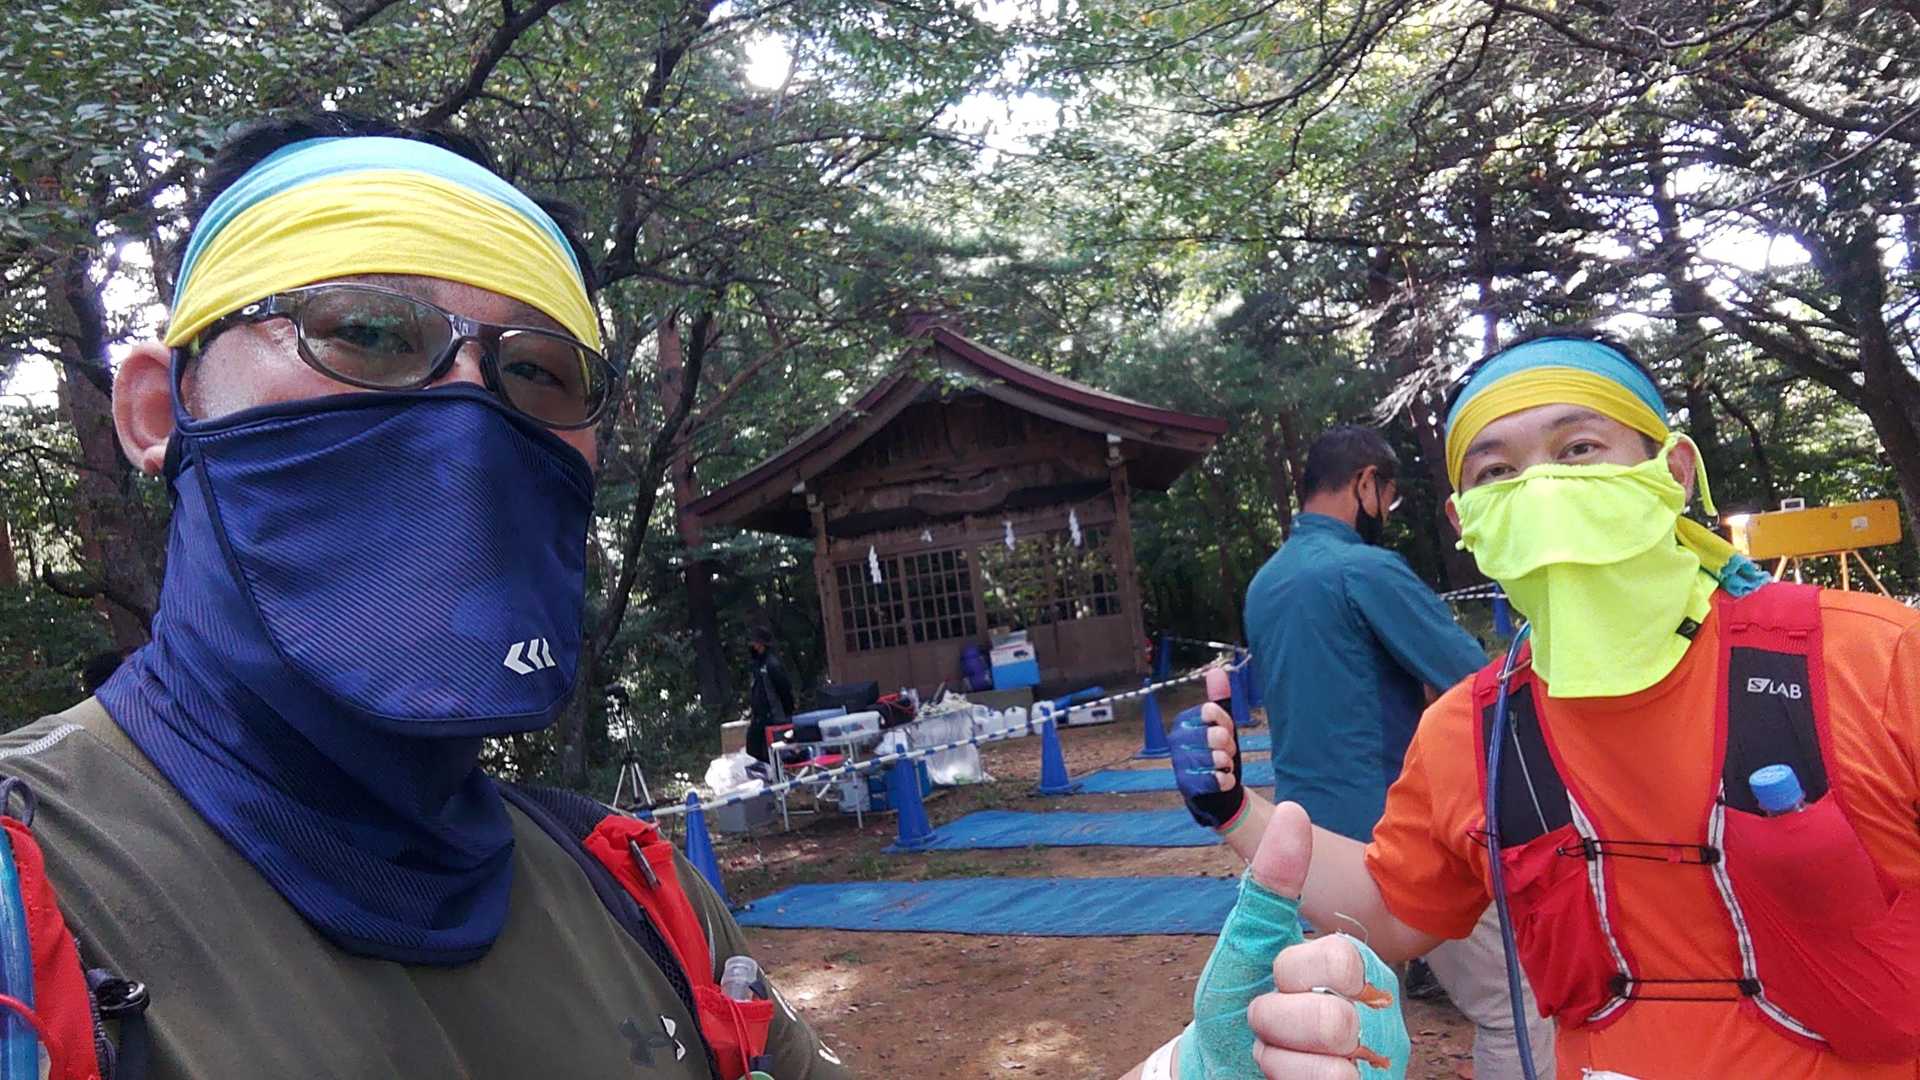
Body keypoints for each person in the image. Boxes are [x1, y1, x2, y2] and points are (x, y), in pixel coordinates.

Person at [0, 115, 849, 1078]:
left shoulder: (645, 898)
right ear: (161, 410)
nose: (467, 413)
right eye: (364, 332)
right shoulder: (31, 903)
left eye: (536, 371)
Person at [1144, 331, 1920, 1078]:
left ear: (1675, 471)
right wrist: (1235, 809)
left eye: (1578, 448)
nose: (1541, 487)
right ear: (1465, 521)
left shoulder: (1874, 661)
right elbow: (1391, 908)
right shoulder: (1471, 730)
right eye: (1496, 472)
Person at [1237, 423, 1553, 1078]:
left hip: (1307, 845)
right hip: (1397, 838)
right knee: (1516, 1004)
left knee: (1350, 1028)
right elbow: (1478, 683)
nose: (1389, 509)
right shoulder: (1365, 569)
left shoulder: (1266, 583)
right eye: (1390, 494)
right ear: (1365, 484)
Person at [745, 624, 796, 765]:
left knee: (774, 753)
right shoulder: (756, 664)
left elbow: (784, 690)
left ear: (761, 644)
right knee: (753, 749)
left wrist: (787, 712)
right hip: (759, 717)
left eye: (755, 642)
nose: (752, 645)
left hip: (773, 717)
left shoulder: (772, 664)